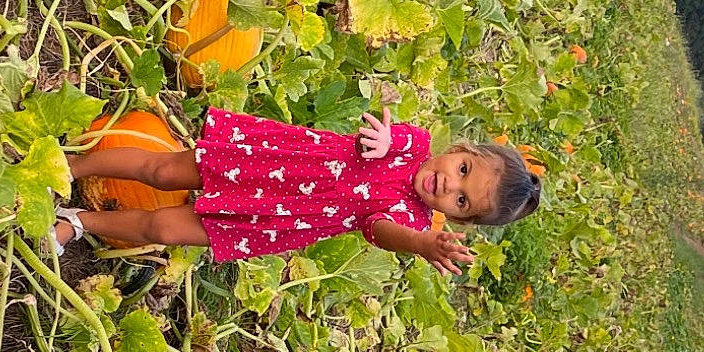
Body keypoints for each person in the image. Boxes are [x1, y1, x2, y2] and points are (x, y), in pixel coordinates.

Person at [53, 105, 541, 272]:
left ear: (455, 218)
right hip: (269, 163)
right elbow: (385, 136)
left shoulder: (410, 222)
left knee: (164, 228)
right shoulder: (411, 145)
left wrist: (419, 243)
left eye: (460, 200)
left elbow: (380, 230)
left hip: (274, 220)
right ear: (458, 149)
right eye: (462, 169)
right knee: (162, 173)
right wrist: (383, 140)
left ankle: (79, 222)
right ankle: (71, 166)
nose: (448, 184)